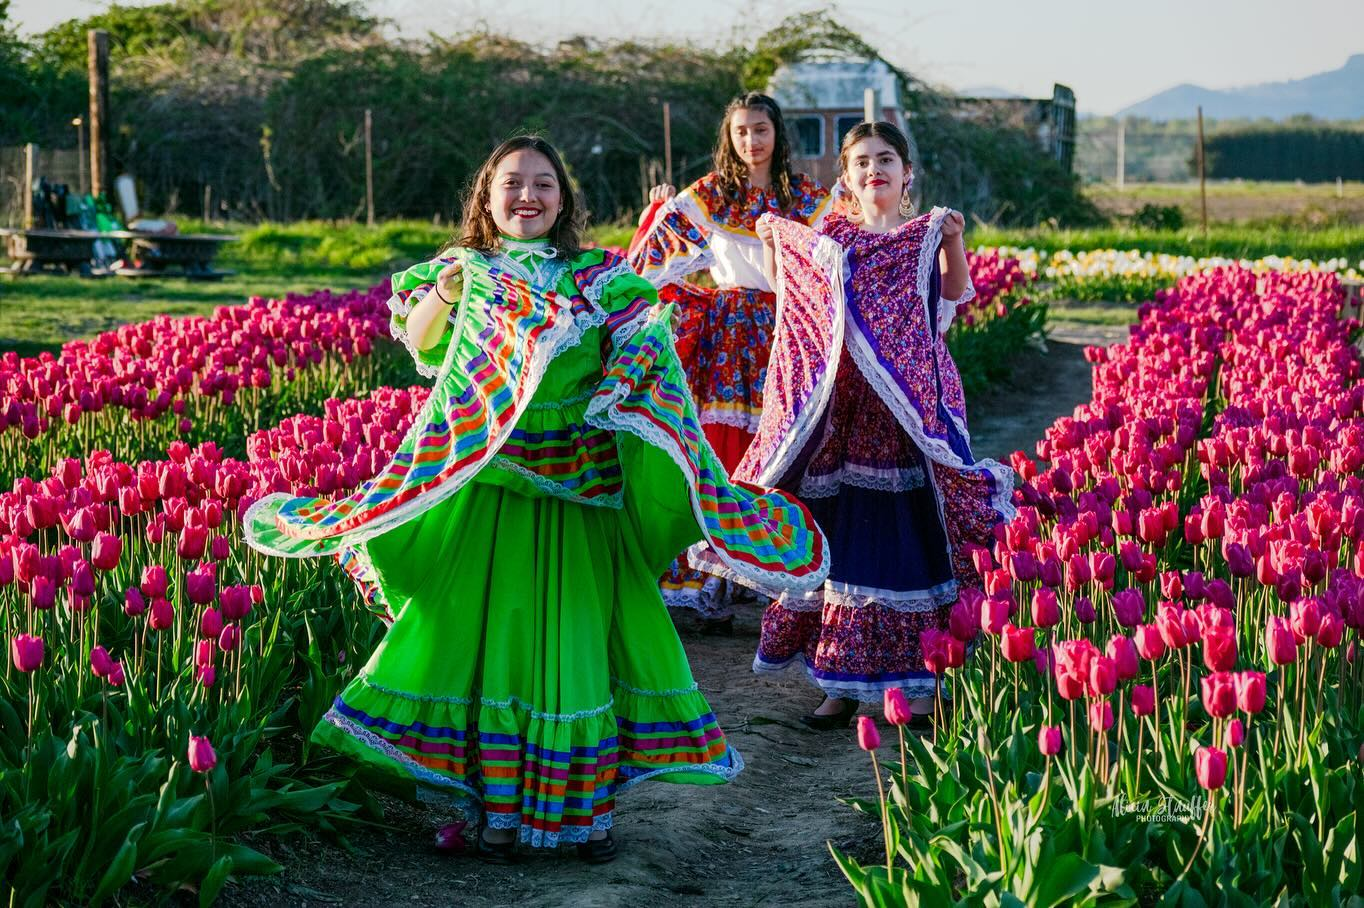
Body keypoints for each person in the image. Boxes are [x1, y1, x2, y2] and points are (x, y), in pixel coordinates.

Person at [244, 136, 828, 862]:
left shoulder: (599, 278)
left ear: (565, 200)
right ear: (485, 202)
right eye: (512, 184)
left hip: (584, 498)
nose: (528, 196)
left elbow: (647, 344)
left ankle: (579, 816)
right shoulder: (469, 273)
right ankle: (493, 808)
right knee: (491, 649)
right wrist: (447, 292)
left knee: (577, 650)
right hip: (492, 491)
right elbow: (425, 346)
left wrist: (638, 361)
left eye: (544, 184)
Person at [707, 121, 1013, 730]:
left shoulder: (923, 235)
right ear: (844, 178)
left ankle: (921, 682)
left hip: (909, 416)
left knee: (908, 537)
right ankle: (837, 681)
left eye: (886, 159)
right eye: (862, 162)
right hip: (844, 417)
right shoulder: (830, 238)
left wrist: (952, 241)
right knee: (844, 538)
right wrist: (776, 239)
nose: (874, 169)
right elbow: (789, 289)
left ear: (906, 175)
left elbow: (954, 293)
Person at [628, 92, 832, 625]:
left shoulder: (807, 198)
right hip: (726, 331)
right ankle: (712, 579)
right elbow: (651, 256)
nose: (751, 141)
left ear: (777, 134)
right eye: (741, 131)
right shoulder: (710, 195)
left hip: (785, 329)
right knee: (720, 447)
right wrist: (657, 209)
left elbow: (836, 250)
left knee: (780, 442)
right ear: (729, 137)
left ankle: (775, 574)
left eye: (760, 129)